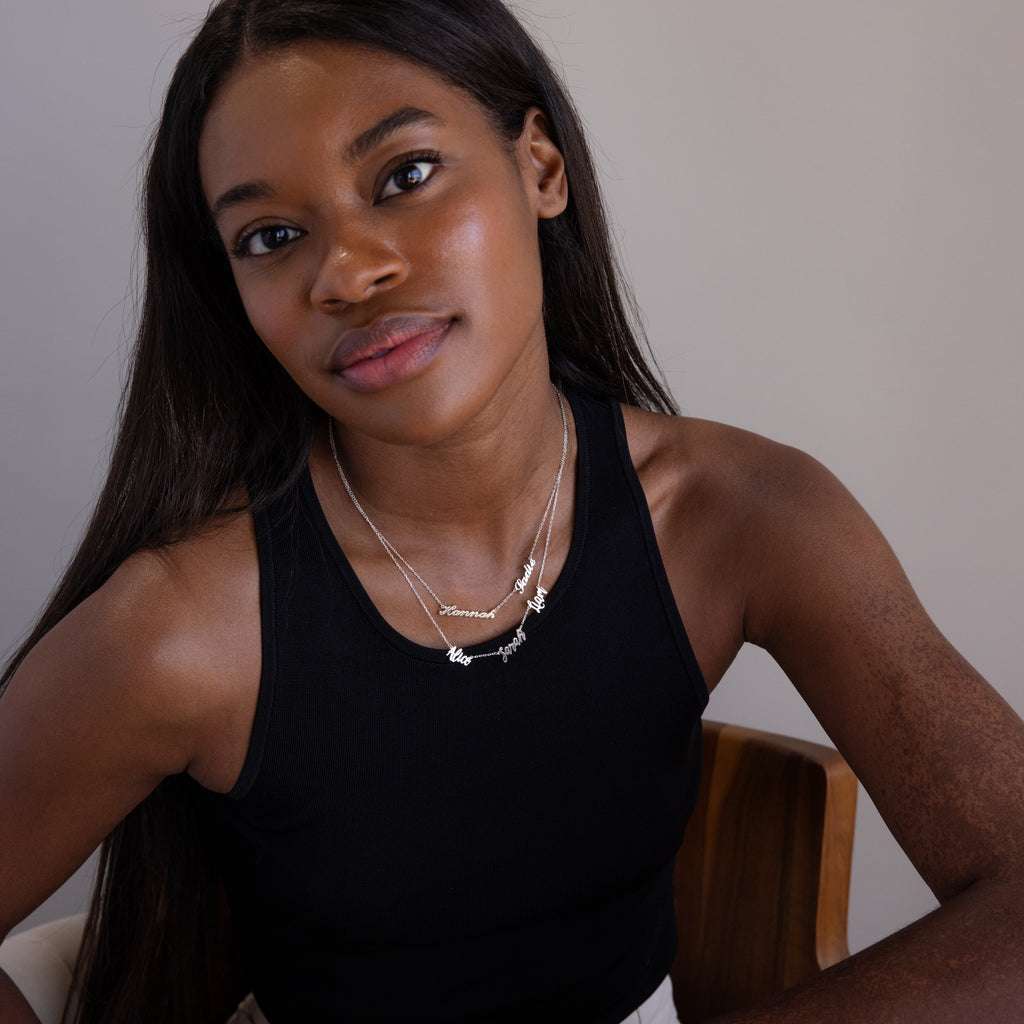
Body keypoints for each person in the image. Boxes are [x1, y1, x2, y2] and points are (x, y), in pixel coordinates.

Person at [1, 1, 1022, 1022]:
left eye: (403, 176)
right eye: (271, 235)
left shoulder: (740, 517)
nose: (349, 273)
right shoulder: (184, 630)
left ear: (540, 167)